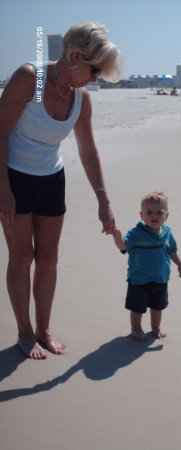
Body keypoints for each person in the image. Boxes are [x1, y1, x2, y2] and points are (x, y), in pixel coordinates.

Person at [0, 21, 121, 359]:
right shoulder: (28, 78)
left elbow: (88, 152)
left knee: (49, 258)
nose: (96, 79)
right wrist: (3, 189)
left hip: (51, 178)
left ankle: (44, 329)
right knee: (22, 257)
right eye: (95, 70)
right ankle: (25, 332)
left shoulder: (82, 100)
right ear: (74, 56)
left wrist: (104, 201)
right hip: (12, 176)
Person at [112, 192, 181, 341]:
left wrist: (180, 264)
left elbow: (172, 250)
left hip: (160, 278)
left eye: (160, 212)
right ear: (141, 215)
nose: (155, 215)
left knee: (158, 306)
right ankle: (136, 328)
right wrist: (117, 236)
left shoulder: (167, 233)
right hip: (139, 279)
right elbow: (123, 246)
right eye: (149, 212)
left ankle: (155, 327)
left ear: (167, 215)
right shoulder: (136, 233)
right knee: (137, 307)